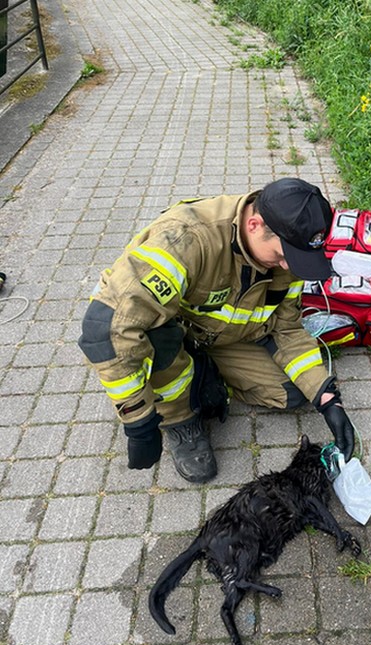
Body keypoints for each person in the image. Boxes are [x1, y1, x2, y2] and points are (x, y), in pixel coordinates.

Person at [78, 178, 356, 482]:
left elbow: (287, 328)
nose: (288, 266)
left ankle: (202, 373)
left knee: (291, 392)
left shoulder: (289, 251)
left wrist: (326, 397)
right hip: (172, 333)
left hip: (222, 337)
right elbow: (104, 330)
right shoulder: (187, 239)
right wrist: (139, 422)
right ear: (254, 225)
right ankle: (179, 419)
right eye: (281, 255)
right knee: (154, 338)